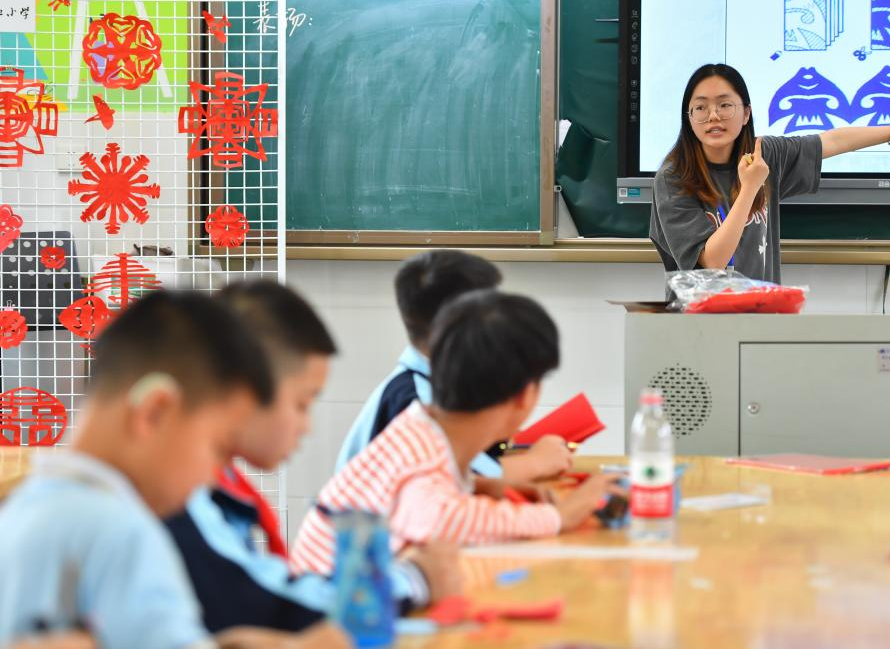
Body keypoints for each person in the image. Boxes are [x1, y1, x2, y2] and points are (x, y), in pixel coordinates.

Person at [0, 290, 347, 648]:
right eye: (218, 449)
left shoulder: (28, 507)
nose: (213, 476)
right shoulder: (122, 530)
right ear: (155, 412)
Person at [165, 281, 460, 633]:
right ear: (242, 390)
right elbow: (271, 603)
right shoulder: (178, 496)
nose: (307, 427)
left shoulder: (216, 484)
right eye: (302, 404)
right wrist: (416, 579)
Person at [291, 290, 624, 577]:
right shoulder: (421, 444)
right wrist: (558, 517)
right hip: (326, 617)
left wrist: (480, 485)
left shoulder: (422, 428)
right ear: (525, 395)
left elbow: (423, 497)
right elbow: (436, 520)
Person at [650, 62, 890, 283]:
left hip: (760, 317)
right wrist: (750, 188)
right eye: (700, 108)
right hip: (699, 325)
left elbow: (832, 141)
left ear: (746, 113)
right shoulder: (673, 178)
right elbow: (712, 261)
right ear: (688, 118)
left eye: (725, 105)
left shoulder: (765, 154)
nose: (713, 116)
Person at [334, 250, 571, 482]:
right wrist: (536, 462)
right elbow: (464, 478)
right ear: (458, 322)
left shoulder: (439, 382)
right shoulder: (418, 401)